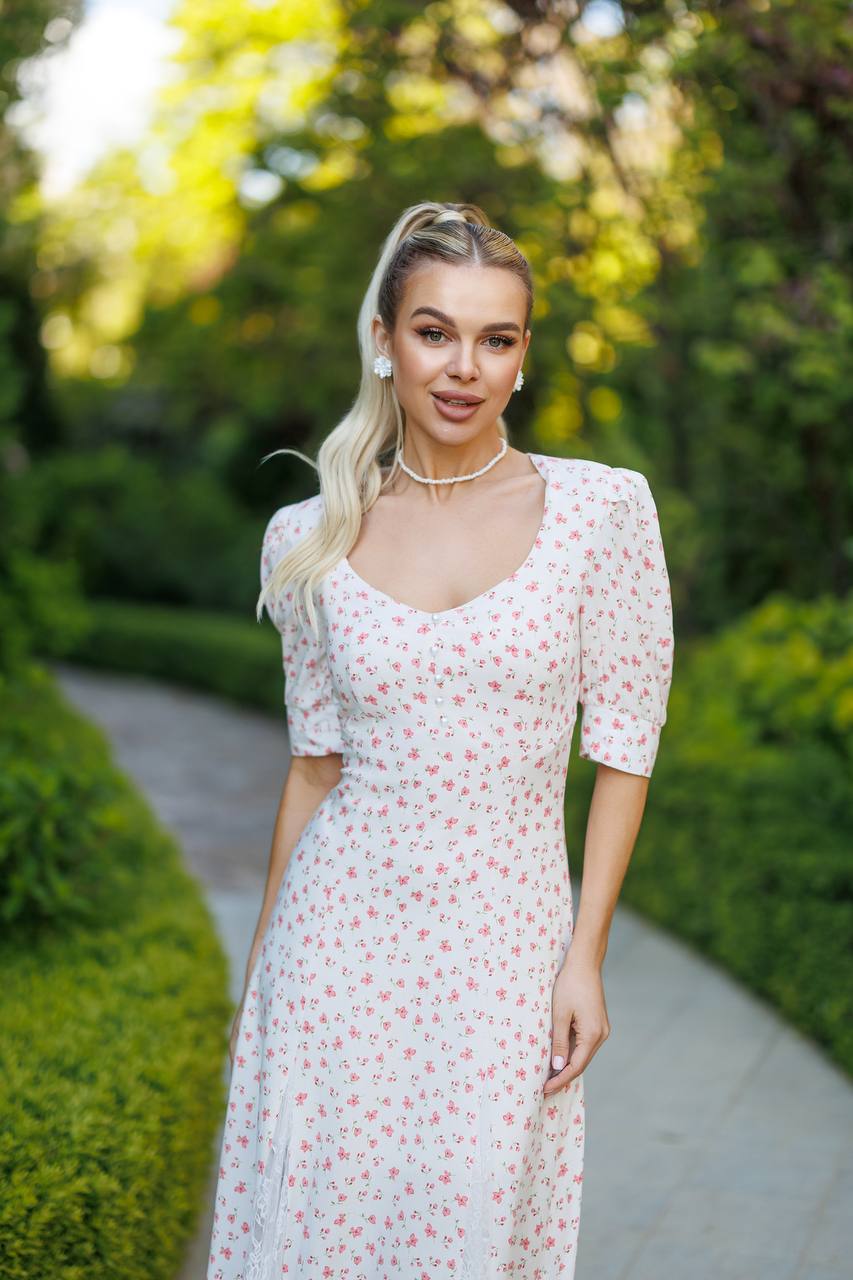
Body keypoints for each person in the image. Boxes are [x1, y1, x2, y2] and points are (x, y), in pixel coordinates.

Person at [206, 201, 674, 1280]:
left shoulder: (601, 512)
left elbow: (625, 745)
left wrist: (585, 955)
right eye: (434, 330)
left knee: (465, 1232)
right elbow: (314, 767)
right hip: (336, 943)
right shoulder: (310, 534)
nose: (463, 365)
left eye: (495, 337)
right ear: (384, 339)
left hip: (505, 946)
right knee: (323, 1237)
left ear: (521, 356)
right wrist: (263, 978)